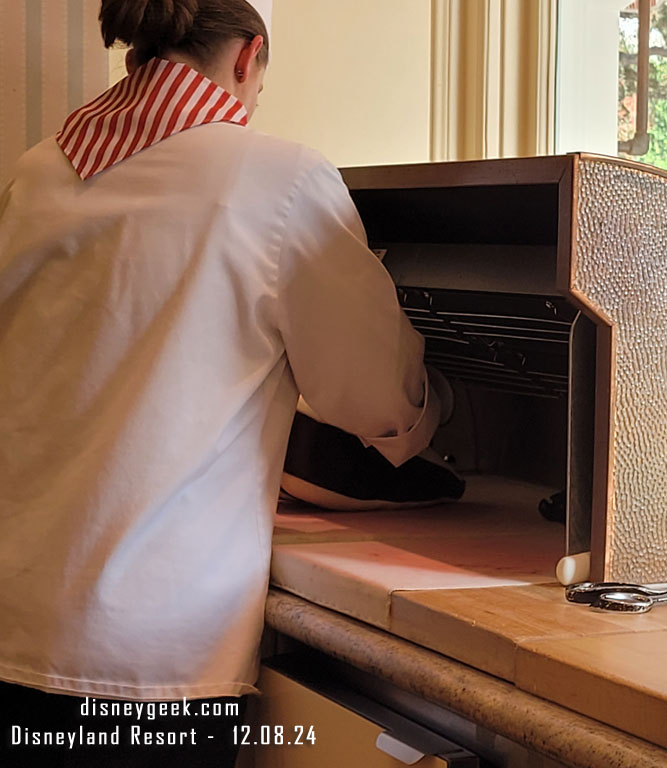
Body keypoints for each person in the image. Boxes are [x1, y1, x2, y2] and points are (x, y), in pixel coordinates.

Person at [0, 1, 441, 765]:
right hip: (147, 661)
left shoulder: (37, 170)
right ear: (249, 56)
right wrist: (437, 418)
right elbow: (373, 397)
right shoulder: (280, 179)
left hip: (12, 623)